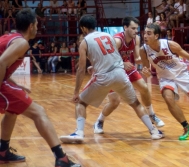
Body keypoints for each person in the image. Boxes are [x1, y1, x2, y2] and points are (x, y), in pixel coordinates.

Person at [59, 15, 164, 143]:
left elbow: (81, 69)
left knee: (80, 103)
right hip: (120, 74)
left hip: (103, 77)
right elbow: (113, 55)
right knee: (136, 104)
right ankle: (154, 131)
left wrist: (76, 91)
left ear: (83, 28)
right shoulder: (108, 36)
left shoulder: (84, 42)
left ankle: (79, 133)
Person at [0, 9, 81, 167]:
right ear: (31, 26)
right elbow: (1, 62)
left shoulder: (9, 37)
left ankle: (2, 151)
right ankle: (61, 159)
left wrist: (15, 84)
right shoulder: (21, 42)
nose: (38, 28)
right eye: (37, 24)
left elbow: (4, 66)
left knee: (12, 111)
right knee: (39, 112)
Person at [92, 17, 165, 134]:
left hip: (127, 67)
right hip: (112, 70)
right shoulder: (117, 41)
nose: (136, 31)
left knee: (144, 88)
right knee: (115, 102)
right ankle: (99, 121)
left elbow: (137, 59)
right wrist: (121, 63)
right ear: (125, 28)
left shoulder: (136, 38)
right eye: (133, 28)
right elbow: (105, 58)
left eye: (137, 28)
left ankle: (151, 115)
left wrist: (151, 59)